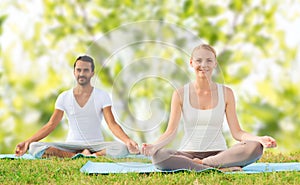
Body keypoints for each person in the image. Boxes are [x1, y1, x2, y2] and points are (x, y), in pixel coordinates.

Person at [141, 44, 277, 171]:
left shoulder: (226, 93)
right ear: (191, 63)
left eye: (209, 61)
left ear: (215, 64)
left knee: (255, 147)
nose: (203, 65)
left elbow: (237, 132)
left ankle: (203, 165)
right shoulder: (180, 94)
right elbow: (170, 132)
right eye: (198, 60)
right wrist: (154, 147)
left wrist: (259, 139)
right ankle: (219, 168)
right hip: (187, 154)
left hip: (220, 154)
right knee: (159, 156)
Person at [15, 55, 140, 158]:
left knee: (122, 148)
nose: (82, 73)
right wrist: (27, 142)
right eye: (78, 70)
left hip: (96, 144)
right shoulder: (64, 97)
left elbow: (112, 124)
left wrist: (128, 140)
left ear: (92, 73)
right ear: (74, 72)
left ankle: (92, 155)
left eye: (86, 70)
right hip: (71, 144)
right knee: (34, 147)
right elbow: (51, 124)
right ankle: (75, 155)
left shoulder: (102, 96)